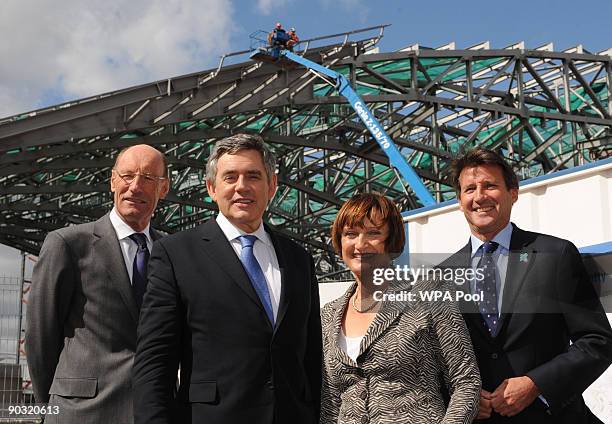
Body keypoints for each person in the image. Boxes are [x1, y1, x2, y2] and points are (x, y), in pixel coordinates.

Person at [133, 133, 322, 424]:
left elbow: (310, 359)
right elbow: (155, 364)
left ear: (271, 186)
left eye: (253, 176)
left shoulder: (299, 260)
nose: (241, 187)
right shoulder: (175, 254)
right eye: (230, 177)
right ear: (211, 187)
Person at [443, 147, 612, 423]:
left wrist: (536, 384)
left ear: (513, 193)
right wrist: (462, 397)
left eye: (490, 185)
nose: (479, 196)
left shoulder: (554, 255)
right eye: (469, 189)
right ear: (460, 201)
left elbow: (597, 341)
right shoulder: (442, 276)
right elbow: (433, 363)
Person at [25, 144, 169, 424]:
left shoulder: (171, 252)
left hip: (153, 412)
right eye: (127, 176)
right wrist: (52, 407)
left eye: (148, 178)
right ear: (113, 181)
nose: (135, 187)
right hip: (81, 413)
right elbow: (40, 337)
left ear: (163, 189)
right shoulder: (68, 244)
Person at [320, 192, 481, 423]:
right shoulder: (328, 315)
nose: (360, 244)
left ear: (392, 240)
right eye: (350, 234)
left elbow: (466, 381)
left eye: (373, 233)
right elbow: (331, 403)